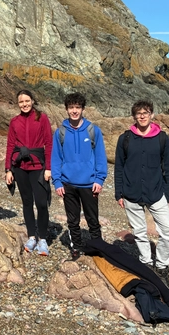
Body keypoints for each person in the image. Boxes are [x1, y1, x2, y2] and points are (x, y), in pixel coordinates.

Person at [114, 99, 169, 289]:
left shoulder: (162, 138)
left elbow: (168, 168)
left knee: (168, 231)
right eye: (139, 113)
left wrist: (166, 193)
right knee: (139, 232)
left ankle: (162, 266)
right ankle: (146, 262)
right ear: (134, 116)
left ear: (152, 115)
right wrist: (119, 193)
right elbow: (119, 167)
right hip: (131, 192)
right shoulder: (125, 138)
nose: (142, 116)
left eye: (146, 112)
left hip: (156, 193)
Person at [51, 92, 108, 261]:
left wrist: (99, 179)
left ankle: (98, 247)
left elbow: (100, 156)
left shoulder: (93, 131)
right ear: (67, 109)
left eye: (77, 107)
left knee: (93, 219)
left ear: (83, 109)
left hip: (89, 184)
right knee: (72, 220)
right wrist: (57, 182)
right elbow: (56, 158)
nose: (74, 111)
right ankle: (76, 247)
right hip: (67, 184)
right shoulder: (60, 132)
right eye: (71, 107)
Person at [5, 90, 53, 256]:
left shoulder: (42, 118)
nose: (24, 104)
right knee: (27, 202)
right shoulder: (14, 121)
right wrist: (8, 169)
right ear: (18, 104)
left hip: (38, 165)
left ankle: (43, 239)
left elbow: (49, 143)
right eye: (21, 102)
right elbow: (10, 146)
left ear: (32, 101)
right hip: (20, 166)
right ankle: (32, 236)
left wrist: (48, 168)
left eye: (27, 101)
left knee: (41, 202)